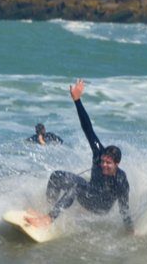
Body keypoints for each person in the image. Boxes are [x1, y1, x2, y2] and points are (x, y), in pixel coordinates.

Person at [25, 79, 133, 233]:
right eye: (103, 161)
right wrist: (77, 100)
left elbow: (124, 209)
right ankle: (47, 210)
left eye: (108, 163)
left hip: (100, 206)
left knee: (76, 188)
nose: (103, 165)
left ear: (117, 164)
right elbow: (87, 128)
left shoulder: (121, 180)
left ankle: (48, 219)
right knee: (57, 176)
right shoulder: (98, 153)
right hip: (90, 190)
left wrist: (130, 231)